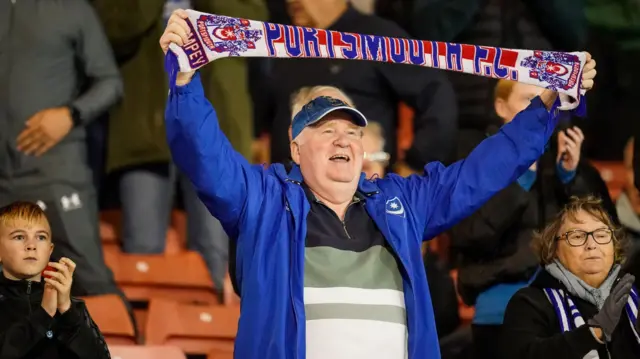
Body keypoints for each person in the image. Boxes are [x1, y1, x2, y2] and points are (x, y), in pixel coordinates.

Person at [161, 9, 596, 359]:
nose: (343, 140)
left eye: (352, 132)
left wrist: (545, 106)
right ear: (295, 149)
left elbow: (481, 172)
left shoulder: (400, 203)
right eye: (325, 130)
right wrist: (184, 80)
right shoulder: (263, 199)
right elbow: (203, 153)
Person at [92, 0, 268, 292]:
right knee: (143, 247)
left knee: (214, 249)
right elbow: (108, 30)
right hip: (143, 130)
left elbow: (254, 24)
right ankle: (147, 329)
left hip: (215, 127)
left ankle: (210, 325)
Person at [449, 80, 616, 359]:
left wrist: (570, 177)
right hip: (498, 310)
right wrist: (523, 177)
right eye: (529, 100)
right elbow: (471, 234)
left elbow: (606, 232)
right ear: (500, 107)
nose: (539, 109)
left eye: (546, 102)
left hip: (565, 309)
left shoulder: (562, 160)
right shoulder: (475, 162)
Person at [0, 0, 122, 298]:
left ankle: (117, 343)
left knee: (91, 284)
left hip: (55, 173)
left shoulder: (70, 8)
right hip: (3, 176)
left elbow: (110, 83)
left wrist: (71, 114)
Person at [253, 0, 458, 170]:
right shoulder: (284, 46)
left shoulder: (373, 37)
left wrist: (415, 165)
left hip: (359, 200)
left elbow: (437, 94)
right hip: (291, 199)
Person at [502, 196, 640, 359]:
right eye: (577, 236)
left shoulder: (634, 297)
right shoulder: (529, 303)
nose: (591, 244)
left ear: (614, 246)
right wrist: (593, 333)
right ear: (553, 250)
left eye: (601, 235)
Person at [0, 201, 110, 359]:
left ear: (50, 250)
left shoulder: (71, 308)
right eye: (19, 237)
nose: (31, 245)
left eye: (41, 237)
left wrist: (67, 311)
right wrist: (43, 315)